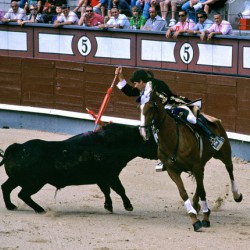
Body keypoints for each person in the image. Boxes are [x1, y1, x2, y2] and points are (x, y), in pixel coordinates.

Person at [116, 66, 225, 171]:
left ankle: (212, 138)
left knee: (191, 116)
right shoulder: (143, 90)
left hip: (173, 105)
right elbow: (130, 92)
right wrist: (120, 76)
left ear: (141, 81)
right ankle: (164, 157)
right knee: (155, 131)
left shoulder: (156, 85)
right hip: (162, 112)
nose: (134, 86)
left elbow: (166, 98)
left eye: (135, 83)